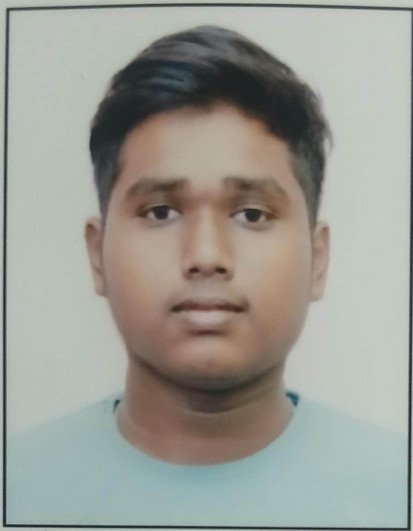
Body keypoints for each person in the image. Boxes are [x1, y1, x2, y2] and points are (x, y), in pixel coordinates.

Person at [7, 25, 407, 528]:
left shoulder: (397, 491)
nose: (206, 255)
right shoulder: (16, 489)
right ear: (97, 255)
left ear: (318, 259)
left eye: (252, 215)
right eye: (160, 212)